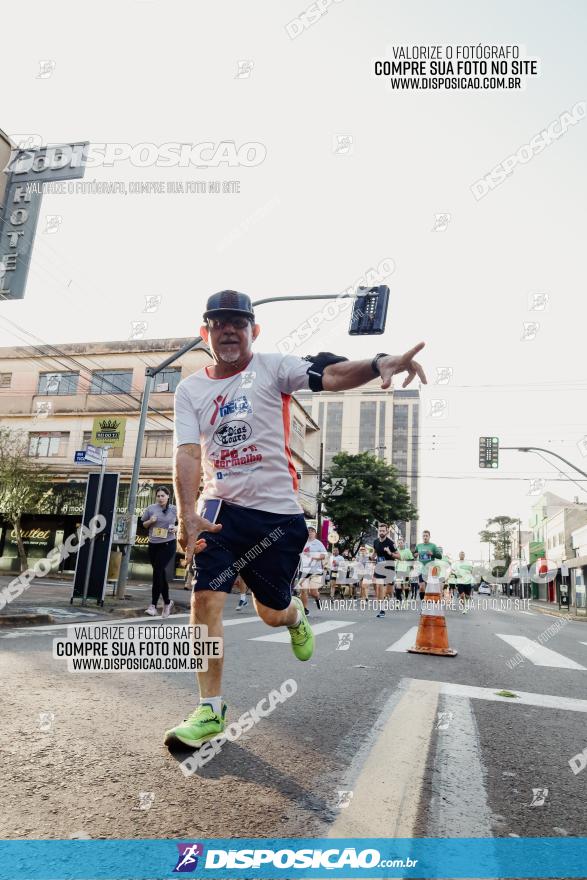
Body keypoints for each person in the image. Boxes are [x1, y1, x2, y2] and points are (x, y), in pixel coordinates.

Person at [166, 288, 426, 749]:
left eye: (238, 323)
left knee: (271, 614)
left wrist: (378, 363)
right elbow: (187, 453)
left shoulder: (273, 367)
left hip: (276, 518)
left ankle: (294, 615)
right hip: (219, 512)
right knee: (204, 601)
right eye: (218, 322)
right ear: (204, 332)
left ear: (253, 330)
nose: (228, 330)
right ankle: (210, 709)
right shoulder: (191, 390)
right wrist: (187, 514)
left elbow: (328, 372)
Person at [142, 486, 179, 618]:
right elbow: (144, 524)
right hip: (153, 544)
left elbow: (185, 522)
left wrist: (177, 527)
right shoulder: (151, 508)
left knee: (157, 571)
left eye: (163, 495)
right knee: (160, 574)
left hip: (168, 544)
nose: (160, 498)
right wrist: (150, 521)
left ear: (168, 496)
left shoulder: (174, 509)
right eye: (158, 496)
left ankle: (152, 606)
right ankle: (167, 602)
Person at [372, 523, 399, 618]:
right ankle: (382, 610)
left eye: (383, 531)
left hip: (389, 569)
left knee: (388, 591)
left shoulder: (390, 543)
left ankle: (392, 597)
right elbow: (375, 552)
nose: (381, 532)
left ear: (387, 531)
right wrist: (372, 557)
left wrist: (389, 552)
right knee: (380, 588)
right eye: (380, 530)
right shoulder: (375, 542)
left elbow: (399, 556)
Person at [298, 526, 327, 614]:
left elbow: (323, 556)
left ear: (315, 533)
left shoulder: (318, 543)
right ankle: (305, 609)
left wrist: (312, 557)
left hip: (316, 571)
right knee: (303, 590)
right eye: (309, 531)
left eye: (312, 531)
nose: (310, 532)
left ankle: (317, 598)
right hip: (304, 570)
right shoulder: (302, 542)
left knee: (313, 592)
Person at [414, 529, 442, 600]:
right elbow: (414, 554)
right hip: (421, 570)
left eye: (426, 536)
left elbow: (440, 556)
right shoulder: (419, 546)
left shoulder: (433, 546)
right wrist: (415, 554)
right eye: (423, 536)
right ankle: (423, 604)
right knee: (421, 588)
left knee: (428, 589)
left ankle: (427, 602)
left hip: (430, 570)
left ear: (429, 537)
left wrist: (432, 554)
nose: (425, 537)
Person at [396, 536, 414, 604]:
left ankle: (406, 598)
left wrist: (407, 561)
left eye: (401, 543)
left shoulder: (407, 550)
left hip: (406, 570)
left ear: (403, 543)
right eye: (399, 543)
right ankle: (398, 600)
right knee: (398, 585)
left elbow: (412, 559)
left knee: (406, 586)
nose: (400, 544)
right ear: (397, 544)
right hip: (398, 570)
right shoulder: (396, 551)